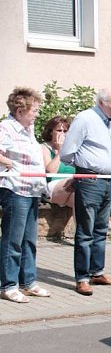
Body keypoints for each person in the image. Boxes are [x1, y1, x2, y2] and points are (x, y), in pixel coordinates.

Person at [60, 87, 111, 296]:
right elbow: (68, 151)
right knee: (85, 230)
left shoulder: (109, 121)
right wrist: (84, 169)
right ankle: (82, 278)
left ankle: (97, 271)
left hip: (108, 179)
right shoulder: (86, 118)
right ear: (102, 103)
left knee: (100, 229)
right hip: (90, 179)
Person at [0, 86, 50, 303]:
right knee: (13, 239)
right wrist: (7, 162)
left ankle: (28, 282)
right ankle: (8, 285)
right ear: (20, 110)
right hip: (15, 189)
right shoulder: (6, 127)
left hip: (32, 190)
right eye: (34, 110)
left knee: (29, 239)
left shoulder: (28, 129)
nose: (37, 114)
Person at [40, 116, 76, 207]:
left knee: (79, 200)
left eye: (65, 131)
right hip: (53, 186)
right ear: (51, 132)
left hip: (73, 186)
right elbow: (50, 172)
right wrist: (60, 151)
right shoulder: (44, 147)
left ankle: (99, 221)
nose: (62, 134)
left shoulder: (73, 149)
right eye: (59, 131)